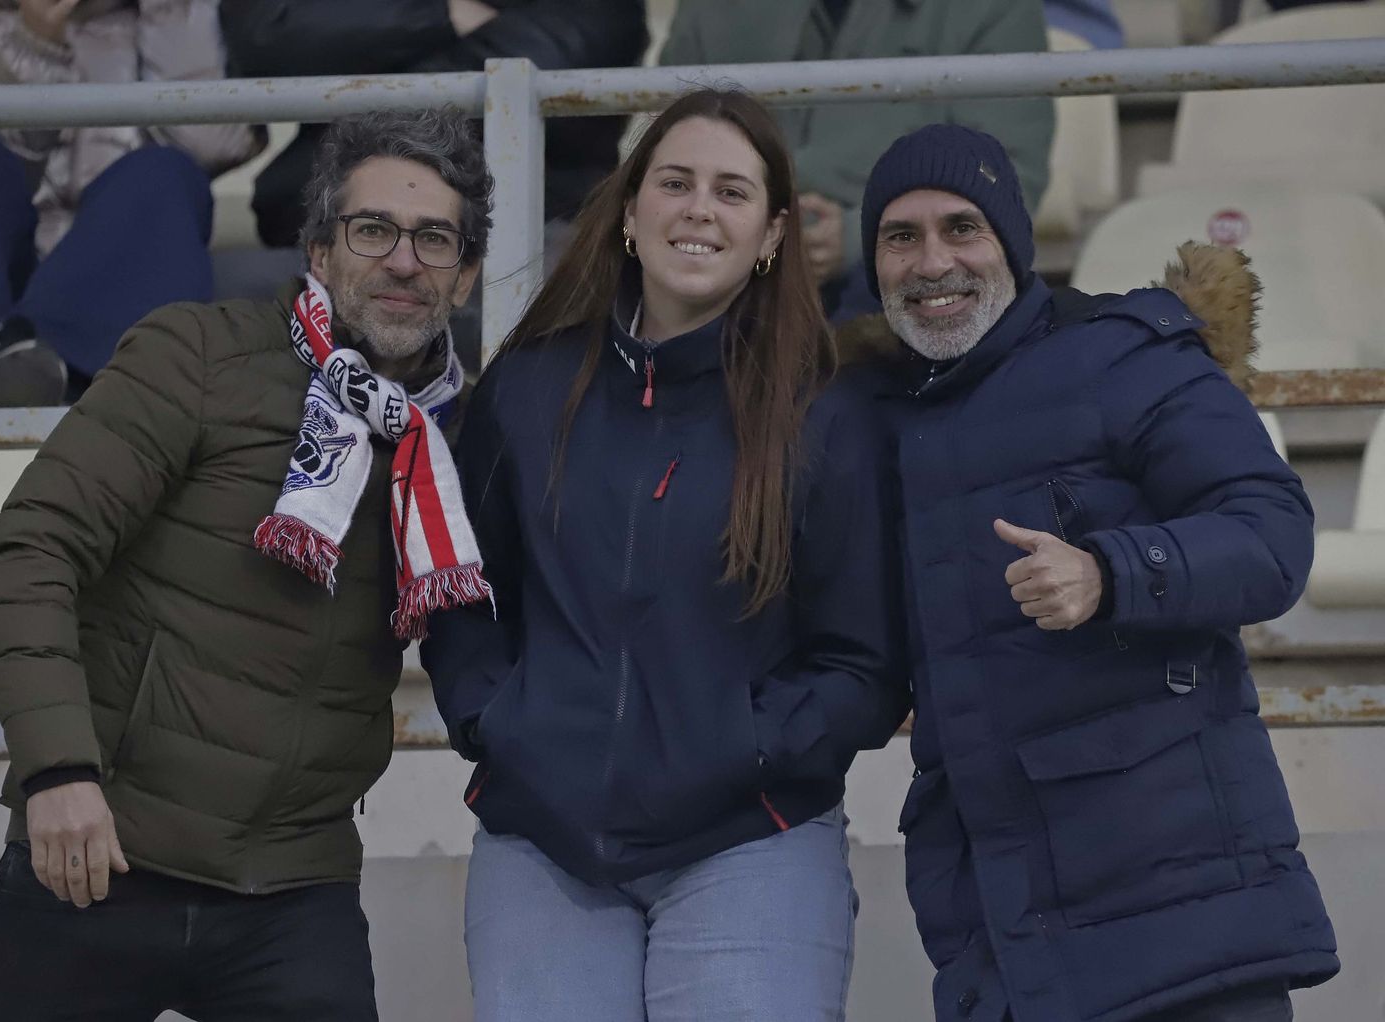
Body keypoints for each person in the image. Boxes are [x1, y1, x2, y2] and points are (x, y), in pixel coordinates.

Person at [0, 107, 493, 1021]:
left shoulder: (462, 437)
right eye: (373, 230)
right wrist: (57, 774)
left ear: (467, 275)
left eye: (434, 239)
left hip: (293, 888)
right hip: (100, 857)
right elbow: (26, 557)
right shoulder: (199, 354)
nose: (404, 261)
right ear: (319, 253)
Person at [421, 88, 911, 1021]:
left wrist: (747, 746)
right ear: (631, 211)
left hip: (748, 836)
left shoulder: (826, 413)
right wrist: (502, 722)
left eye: (732, 192)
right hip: (544, 837)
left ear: (770, 235)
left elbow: (864, 661)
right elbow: (466, 597)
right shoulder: (527, 389)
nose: (698, 209)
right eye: (676, 182)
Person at [839, 124, 1339, 1022]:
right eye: (900, 237)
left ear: (1014, 244)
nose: (932, 261)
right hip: (1004, 935)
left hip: (1184, 919)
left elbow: (1272, 536)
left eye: (963, 229)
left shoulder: (1126, 356)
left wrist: (1113, 570)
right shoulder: (862, 409)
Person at [0, 0, 265, 409]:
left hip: (120, 310)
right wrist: (33, 44)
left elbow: (213, 144)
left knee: (165, 173)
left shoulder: (193, 15)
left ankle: (49, 365)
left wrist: (172, 10)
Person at [659, 0, 1052, 322]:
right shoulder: (708, 8)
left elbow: (1008, 181)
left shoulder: (993, 8)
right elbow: (663, 141)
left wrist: (853, 239)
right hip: (728, 256)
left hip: (887, 275)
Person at [219, 0, 648, 249]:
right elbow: (267, 34)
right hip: (326, 221)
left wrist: (365, 57)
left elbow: (552, 61)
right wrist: (441, 15)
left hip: (532, 228)